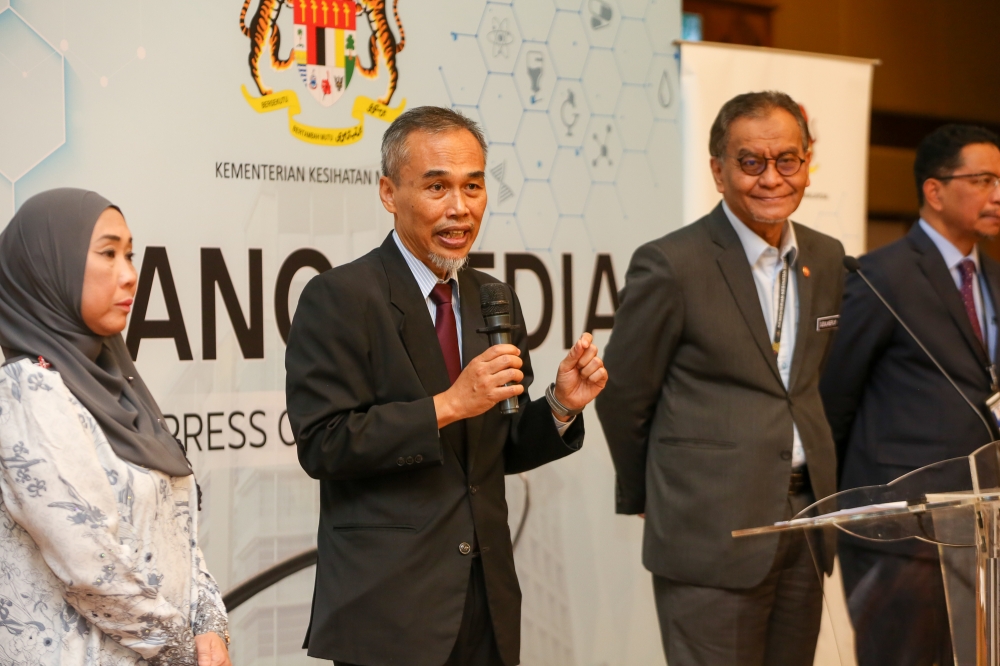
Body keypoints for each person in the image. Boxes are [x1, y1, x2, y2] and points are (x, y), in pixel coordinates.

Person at [284, 106, 607, 666]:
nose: (460, 208)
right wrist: (447, 405)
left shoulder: (493, 297)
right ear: (389, 192)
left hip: (485, 604)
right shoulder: (339, 298)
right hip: (388, 611)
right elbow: (324, 443)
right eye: (437, 187)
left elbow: (495, 450)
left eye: (473, 186)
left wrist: (558, 405)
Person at [596, 91, 845, 666]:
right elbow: (626, 393)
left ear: (808, 163)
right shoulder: (672, 263)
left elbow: (809, 380)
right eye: (750, 162)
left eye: (788, 159)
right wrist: (650, 494)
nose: (771, 178)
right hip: (709, 528)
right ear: (718, 170)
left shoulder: (827, 257)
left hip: (807, 519)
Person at [0, 189, 230, 665]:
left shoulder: (119, 385)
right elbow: (89, 567)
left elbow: (179, 530)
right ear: (49, 267)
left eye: (130, 254)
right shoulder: (25, 394)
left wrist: (211, 625)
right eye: (108, 254)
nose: (129, 275)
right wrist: (188, 650)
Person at [820, 124, 1000, 665]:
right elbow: (833, 395)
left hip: (981, 525)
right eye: (985, 179)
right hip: (900, 530)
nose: (998, 194)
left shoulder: (992, 275)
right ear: (935, 190)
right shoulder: (880, 275)